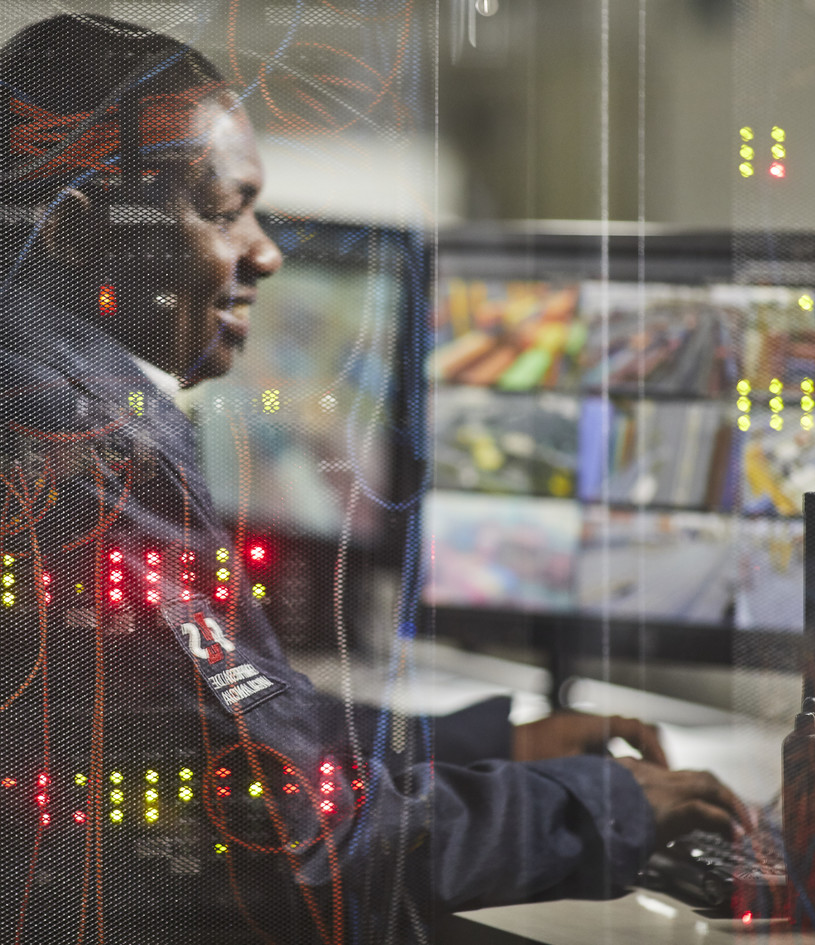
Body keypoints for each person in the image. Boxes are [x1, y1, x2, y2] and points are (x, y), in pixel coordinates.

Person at [0, 14, 747, 944]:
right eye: (224, 211)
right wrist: (597, 806)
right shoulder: (89, 456)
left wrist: (475, 742)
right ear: (74, 236)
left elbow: (216, 734)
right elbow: (296, 852)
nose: (266, 251)